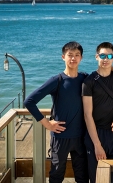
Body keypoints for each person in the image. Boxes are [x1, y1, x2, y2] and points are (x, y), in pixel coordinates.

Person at [24, 41, 89, 183]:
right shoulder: (57, 80)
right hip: (60, 137)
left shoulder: (85, 78)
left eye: (77, 55)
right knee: (56, 175)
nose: (73, 58)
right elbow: (29, 101)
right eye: (70, 55)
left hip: (81, 137)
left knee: (83, 176)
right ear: (63, 57)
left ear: (81, 58)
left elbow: (102, 79)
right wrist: (46, 123)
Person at [82, 42, 113, 183]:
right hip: (95, 134)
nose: (105, 59)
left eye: (109, 56)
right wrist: (97, 145)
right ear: (96, 57)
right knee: (97, 178)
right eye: (102, 55)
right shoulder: (88, 82)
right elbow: (87, 115)